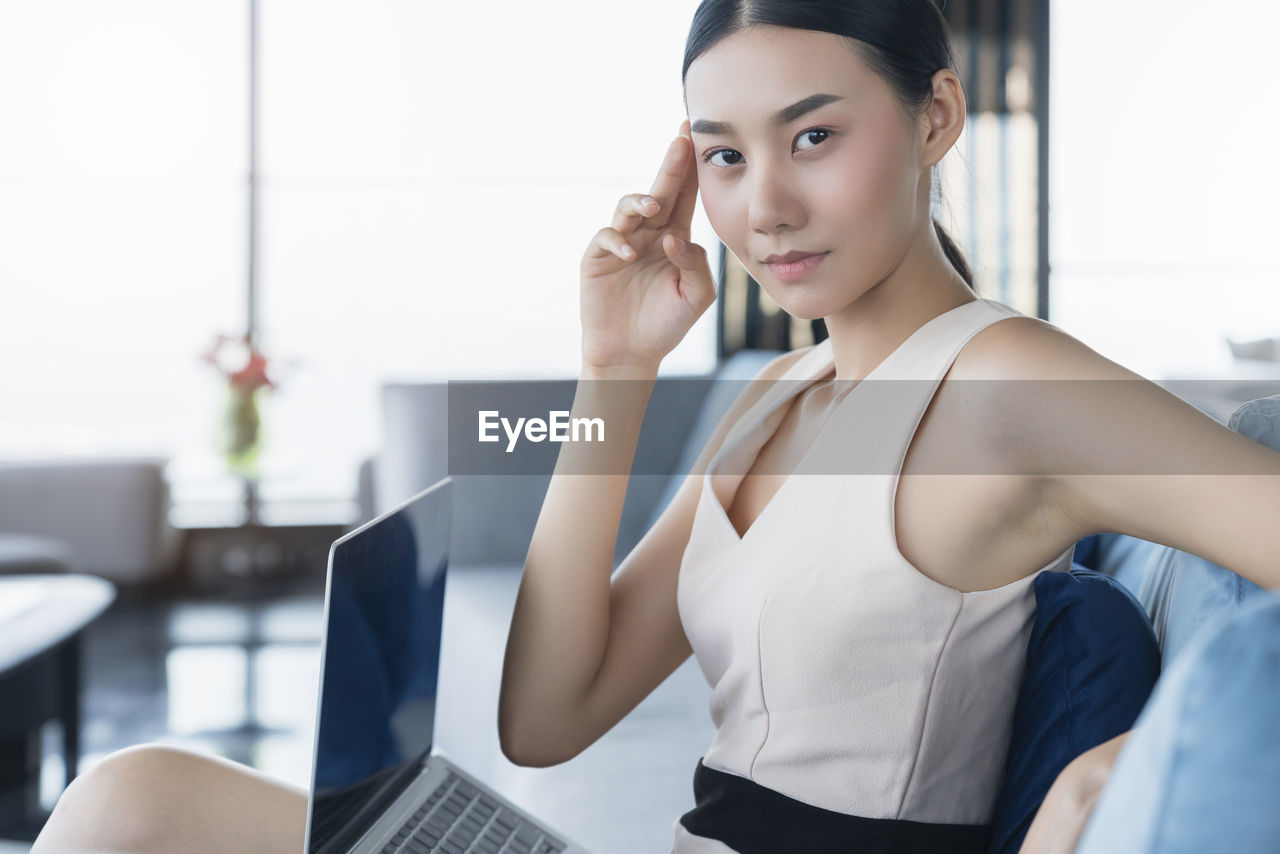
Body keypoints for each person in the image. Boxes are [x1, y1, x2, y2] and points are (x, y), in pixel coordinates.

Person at [30, 2, 1280, 853]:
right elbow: (546, 714)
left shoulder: (1003, 381)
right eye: (722, 156)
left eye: (812, 135)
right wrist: (612, 369)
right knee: (133, 794)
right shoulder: (777, 398)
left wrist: (1101, 793)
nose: (765, 204)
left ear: (936, 117)